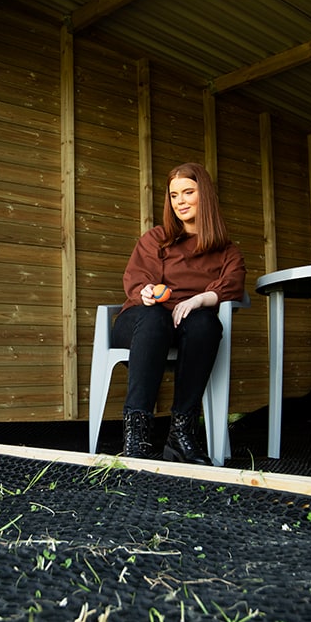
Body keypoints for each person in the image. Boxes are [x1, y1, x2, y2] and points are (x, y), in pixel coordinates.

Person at [111, 162, 246, 464]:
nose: (180, 201)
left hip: (186, 323)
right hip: (140, 319)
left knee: (205, 324)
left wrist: (200, 300)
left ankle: (181, 434)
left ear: (205, 195)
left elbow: (234, 283)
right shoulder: (156, 238)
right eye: (174, 195)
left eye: (188, 192)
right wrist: (145, 291)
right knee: (155, 318)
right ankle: (137, 436)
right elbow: (136, 279)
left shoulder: (225, 250)